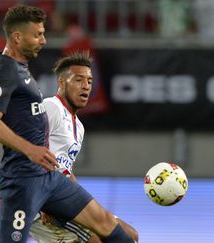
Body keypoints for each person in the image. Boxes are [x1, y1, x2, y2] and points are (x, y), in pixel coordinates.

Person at [0, 4, 137, 243]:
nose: (43, 40)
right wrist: (31, 150)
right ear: (18, 37)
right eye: (38, 34)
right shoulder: (5, 68)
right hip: (22, 182)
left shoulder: (6, 66)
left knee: (112, 228)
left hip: (50, 177)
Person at [29, 52, 138, 243]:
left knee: (130, 234)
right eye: (79, 80)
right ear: (61, 83)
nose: (86, 86)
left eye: (89, 80)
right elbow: (28, 150)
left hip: (63, 198)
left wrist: (81, 199)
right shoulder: (50, 107)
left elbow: (66, 170)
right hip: (44, 204)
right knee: (101, 239)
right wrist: (44, 202)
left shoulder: (79, 127)